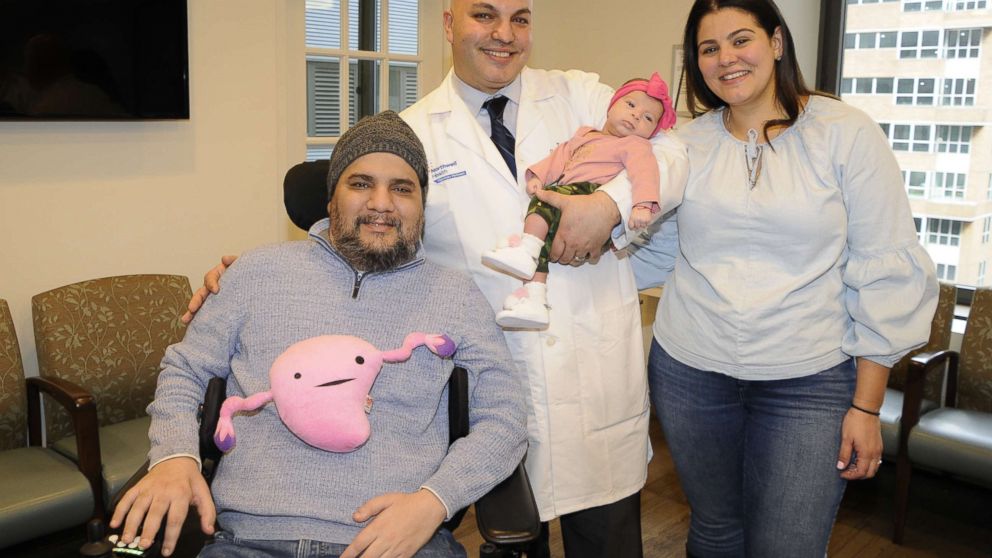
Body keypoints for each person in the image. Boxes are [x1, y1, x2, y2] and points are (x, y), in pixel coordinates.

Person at [185, 2, 689, 556]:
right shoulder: (416, 131)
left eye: (520, 18)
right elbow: (377, 236)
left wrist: (610, 205)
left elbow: (671, 151)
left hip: (593, 376)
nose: (504, 34)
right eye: (484, 15)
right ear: (449, 25)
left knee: (610, 541)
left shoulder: (582, 95)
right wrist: (248, 276)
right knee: (522, 537)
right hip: (500, 366)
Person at [110, 110, 527, 558]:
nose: (381, 203)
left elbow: (505, 417)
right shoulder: (256, 272)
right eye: (361, 183)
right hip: (250, 538)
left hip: (397, 541)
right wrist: (174, 456)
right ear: (331, 199)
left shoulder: (456, 295)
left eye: (402, 188)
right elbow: (185, 369)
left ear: (422, 205)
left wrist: (434, 501)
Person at [629, 0, 938, 556]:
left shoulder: (844, 133)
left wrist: (866, 408)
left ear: (775, 42)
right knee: (715, 531)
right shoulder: (684, 147)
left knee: (788, 545)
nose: (726, 58)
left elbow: (884, 269)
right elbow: (656, 249)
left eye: (740, 40)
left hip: (809, 381)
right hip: (691, 373)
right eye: (709, 48)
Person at [481, 72, 677, 328]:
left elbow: (646, 174)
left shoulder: (636, 146)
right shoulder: (585, 134)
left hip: (592, 192)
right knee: (545, 232)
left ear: (652, 132)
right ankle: (535, 298)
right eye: (630, 105)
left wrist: (642, 205)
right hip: (568, 190)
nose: (636, 115)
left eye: (648, 118)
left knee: (544, 204)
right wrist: (538, 175)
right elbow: (560, 156)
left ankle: (526, 248)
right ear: (612, 105)